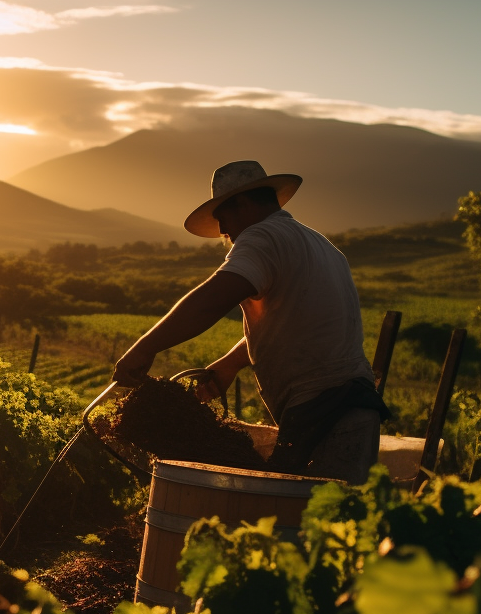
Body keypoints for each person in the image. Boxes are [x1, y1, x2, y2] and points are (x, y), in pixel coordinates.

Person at [112, 160, 387, 483]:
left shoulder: (263, 237)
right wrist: (230, 364)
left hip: (326, 410)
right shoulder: (318, 244)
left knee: (307, 525)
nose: (223, 232)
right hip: (349, 408)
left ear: (243, 204)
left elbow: (212, 299)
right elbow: (287, 324)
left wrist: (145, 347)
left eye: (222, 219)